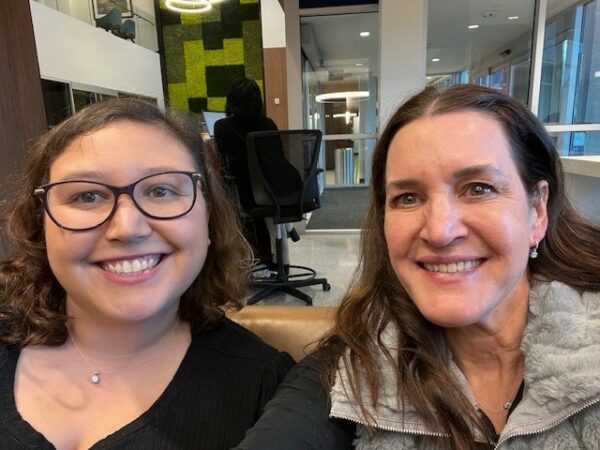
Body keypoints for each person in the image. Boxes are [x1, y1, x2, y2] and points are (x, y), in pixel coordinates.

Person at [234, 84, 600, 449]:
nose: (440, 231)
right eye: (408, 197)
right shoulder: (352, 369)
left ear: (537, 211)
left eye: (478, 188)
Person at [0, 99, 294, 449]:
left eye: (161, 190)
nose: (128, 228)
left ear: (208, 217)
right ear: (40, 223)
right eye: (87, 195)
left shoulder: (267, 394)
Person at [214, 77, 299, 268]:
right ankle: (287, 240)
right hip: (286, 187)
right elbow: (279, 158)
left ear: (231, 101)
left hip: (251, 194)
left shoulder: (222, 127)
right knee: (273, 208)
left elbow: (225, 164)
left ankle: (265, 261)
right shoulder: (268, 124)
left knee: (263, 203)